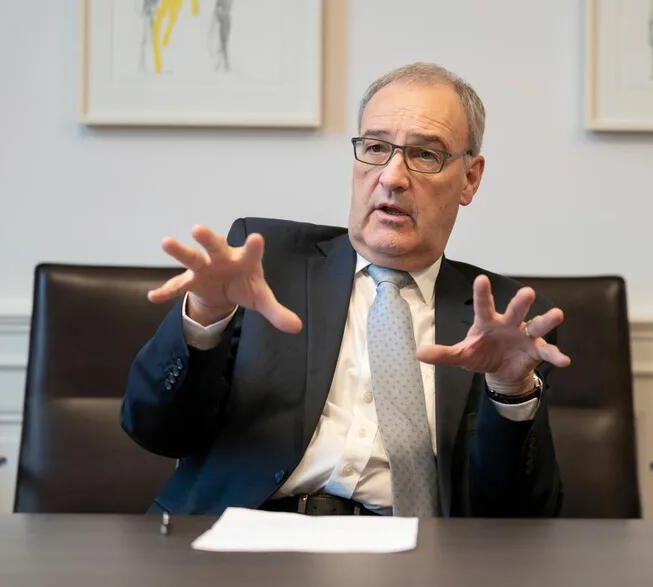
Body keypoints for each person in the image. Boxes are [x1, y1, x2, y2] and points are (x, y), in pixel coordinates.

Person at [122, 63, 571, 517]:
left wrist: (509, 390)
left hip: (411, 546)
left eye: (425, 155)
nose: (392, 177)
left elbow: (522, 517)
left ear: (470, 179)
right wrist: (205, 317)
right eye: (376, 148)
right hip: (246, 532)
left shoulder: (505, 320)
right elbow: (155, 431)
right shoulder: (267, 262)